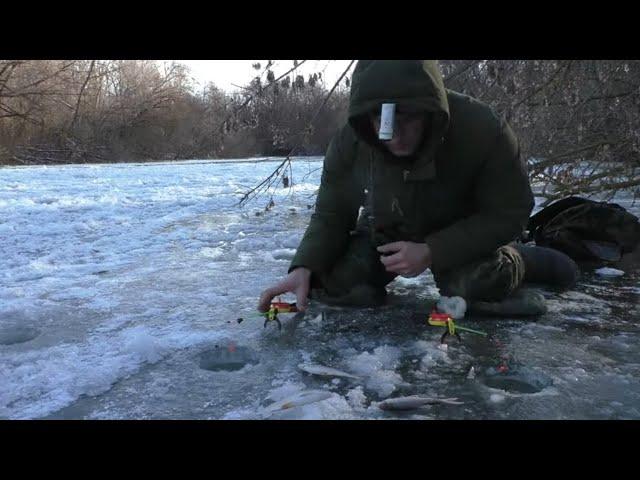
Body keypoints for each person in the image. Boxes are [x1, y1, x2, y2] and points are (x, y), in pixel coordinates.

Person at [258, 60, 578, 317]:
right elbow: (332, 214)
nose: (394, 135)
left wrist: (433, 250)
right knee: (337, 284)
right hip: (387, 228)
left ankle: (519, 261)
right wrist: (303, 267)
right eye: (382, 121)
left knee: (472, 287)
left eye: (407, 119)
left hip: (462, 232)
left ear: (428, 112)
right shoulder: (352, 140)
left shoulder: (484, 130)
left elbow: (511, 210)